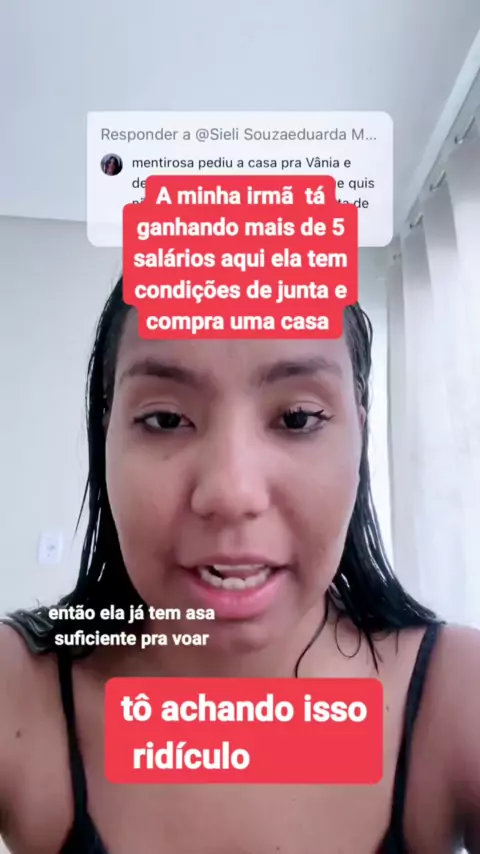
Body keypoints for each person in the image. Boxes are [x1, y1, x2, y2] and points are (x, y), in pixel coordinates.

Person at [0, 277, 479, 854]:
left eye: (297, 418)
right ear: (106, 438)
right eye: (166, 419)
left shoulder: (459, 693)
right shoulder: (18, 690)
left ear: (360, 433)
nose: (231, 492)